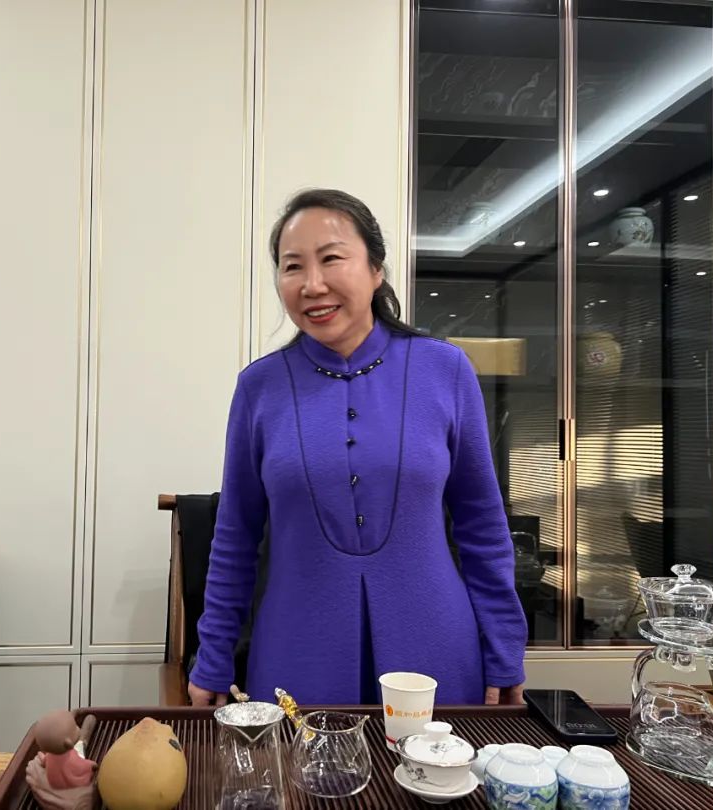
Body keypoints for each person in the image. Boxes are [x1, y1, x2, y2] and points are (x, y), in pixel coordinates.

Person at [188, 189, 527, 708]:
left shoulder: (445, 370)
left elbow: (482, 522)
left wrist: (504, 648)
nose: (312, 284)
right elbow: (235, 536)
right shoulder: (260, 388)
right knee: (299, 764)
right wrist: (212, 658)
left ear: (375, 270)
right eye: (292, 266)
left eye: (331, 258)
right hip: (295, 655)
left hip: (436, 651)